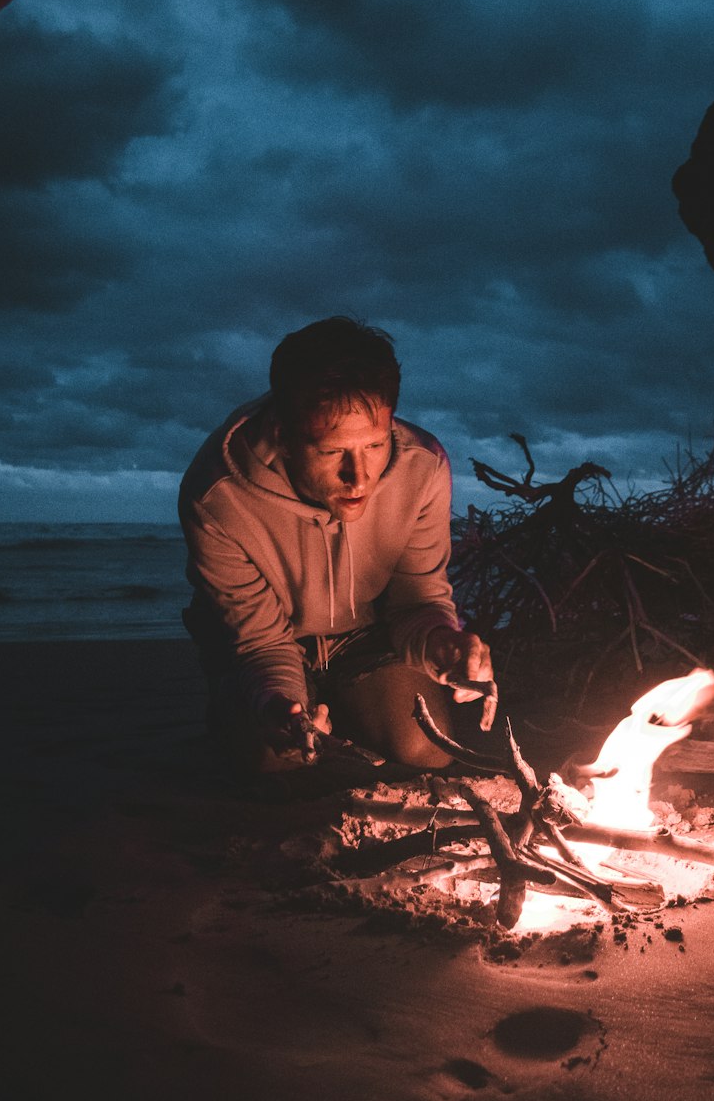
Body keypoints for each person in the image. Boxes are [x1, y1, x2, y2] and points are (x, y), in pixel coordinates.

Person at [179, 316, 493, 776]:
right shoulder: (217, 497)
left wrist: (444, 645)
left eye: (374, 445)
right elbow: (260, 643)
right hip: (262, 643)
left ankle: (349, 706)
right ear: (284, 436)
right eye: (331, 453)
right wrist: (280, 707)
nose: (359, 476)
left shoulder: (423, 468)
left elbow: (418, 601)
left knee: (428, 750)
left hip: (364, 634)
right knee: (276, 762)